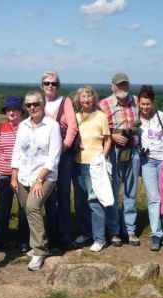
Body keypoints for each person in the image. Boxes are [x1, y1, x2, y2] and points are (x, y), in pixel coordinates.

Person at [11, 91, 62, 271]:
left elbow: (53, 157)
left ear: (43, 105)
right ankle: (38, 244)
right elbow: (17, 151)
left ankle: (40, 250)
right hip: (24, 175)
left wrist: (40, 179)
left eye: (36, 104)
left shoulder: (52, 126)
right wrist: (14, 176)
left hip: (45, 176)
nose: (32, 107)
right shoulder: (23, 125)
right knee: (28, 210)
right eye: (29, 105)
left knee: (33, 206)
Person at [98, 72, 141, 246]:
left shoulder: (137, 102)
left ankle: (130, 230)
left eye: (125, 84)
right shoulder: (104, 105)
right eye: (119, 85)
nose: (122, 88)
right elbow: (99, 129)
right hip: (114, 152)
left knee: (131, 192)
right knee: (113, 192)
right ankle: (114, 231)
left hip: (134, 152)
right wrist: (113, 137)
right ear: (113, 86)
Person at [137, 85, 163, 251]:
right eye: (142, 104)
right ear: (138, 103)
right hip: (147, 161)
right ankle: (156, 234)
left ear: (153, 103)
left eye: (148, 104)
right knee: (153, 199)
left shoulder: (160, 116)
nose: (145, 107)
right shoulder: (135, 117)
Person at [41, 71, 79, 250]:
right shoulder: (38, 102)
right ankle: (51, 234)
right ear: (42, 85)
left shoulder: (65, 102)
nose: (50, 86)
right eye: (47, 83)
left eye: (54, 83)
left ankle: (64, 236)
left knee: (63, 195)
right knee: (48, 195)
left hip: (63, 155)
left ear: (58, 86)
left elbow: (72, 126)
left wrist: (63, 146)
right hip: (44, 156)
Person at [72, 86, 112, 252]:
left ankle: (99, 238)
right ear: (78, 100)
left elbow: (108, 139)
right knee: (80, 202)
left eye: (89, 96)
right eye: (83, 96)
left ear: (94, 99)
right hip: (77, 163)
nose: (86, 99)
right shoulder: (75, 117)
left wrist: (102, 157)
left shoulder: (101, 116)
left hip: (94, 165)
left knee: (94, 201)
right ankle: (87, 232)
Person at [0, 96, 30, 253]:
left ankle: (24, 241)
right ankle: (1, 241)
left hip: (23, 175)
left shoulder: (27, 127)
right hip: (3, 174)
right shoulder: (2, 128)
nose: (11, 112)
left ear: (21, 112)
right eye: (8, 110)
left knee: (24, 208)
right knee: (3, 209)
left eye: (14, 109)